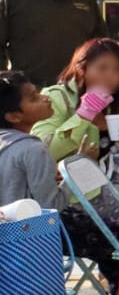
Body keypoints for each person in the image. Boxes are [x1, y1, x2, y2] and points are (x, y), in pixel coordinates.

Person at [33, 38, 119, 164]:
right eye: (102, 68)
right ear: (82, 69)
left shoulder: (114, 103)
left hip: (101, 182)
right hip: (61, 182)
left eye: (118, 70)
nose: (110, 76)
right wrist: (84, 115)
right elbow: (42, 154)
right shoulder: (55, 97)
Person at [0, 71, 58, 205]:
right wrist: (78, 167)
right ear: (14, 117)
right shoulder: (33, 149)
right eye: (34, 98)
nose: (45, 98)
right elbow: (52, 206)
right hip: (28, 225)